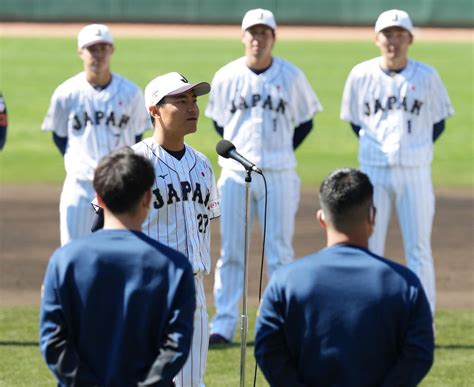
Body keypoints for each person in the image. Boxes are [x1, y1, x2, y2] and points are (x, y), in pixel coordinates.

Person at [205, 8, 323, 345]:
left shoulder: (292, 76)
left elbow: (305, 122)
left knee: (280, 251)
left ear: (273, 37)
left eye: (264, 33)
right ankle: (224, 323)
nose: (258, 39)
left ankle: (280, 322)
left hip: (279, 175)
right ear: (243, 37)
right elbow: (219, 125)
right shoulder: (227, 76)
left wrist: (280, 151)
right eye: (252, 33)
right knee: (231, 250)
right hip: (233, 174)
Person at [255, 168, 434, 386]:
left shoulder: (285, 281)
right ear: (372, 215)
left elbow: (267, 349)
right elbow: (420, 353)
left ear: (322, 218)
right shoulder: (405, 284)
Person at [97, 72, 219, 387]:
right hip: (143, 289)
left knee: (191, 382)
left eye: (194, 100)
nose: (192, 107)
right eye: (181, 100)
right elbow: (101, 224)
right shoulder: (133, 162)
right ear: (154, 110)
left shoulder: (204, 164)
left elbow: (205, 224)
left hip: (192, 288)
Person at [39, 147, 196, 386]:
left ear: (99, 198)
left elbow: (53, 341)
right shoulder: (174, 266)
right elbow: (177, 343)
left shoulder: (64, 261)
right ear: (147, 198)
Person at [340, 9, 454, 315]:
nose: (393, 41)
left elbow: (438, 123)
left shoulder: (427, 76)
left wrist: (414, 148)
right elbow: (355, 122)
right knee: (370, 247)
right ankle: (370, 316)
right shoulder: (361, 75)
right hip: (373, 172)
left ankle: (424, 318)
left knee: (419, 250)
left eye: (399, 34)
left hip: (415, 173)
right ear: (377, 38)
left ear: (410, 39)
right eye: (387, 34)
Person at [41, 23, 150, 246]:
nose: (97, 55)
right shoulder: (66, 93)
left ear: (112, 50)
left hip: (121, 186)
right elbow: (59, 136)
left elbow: (137, 136)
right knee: (73, 251)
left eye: (102, 48)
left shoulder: (131, 93)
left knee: (121, 253)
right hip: (80, 187)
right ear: (80, 52)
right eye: (92, 49)